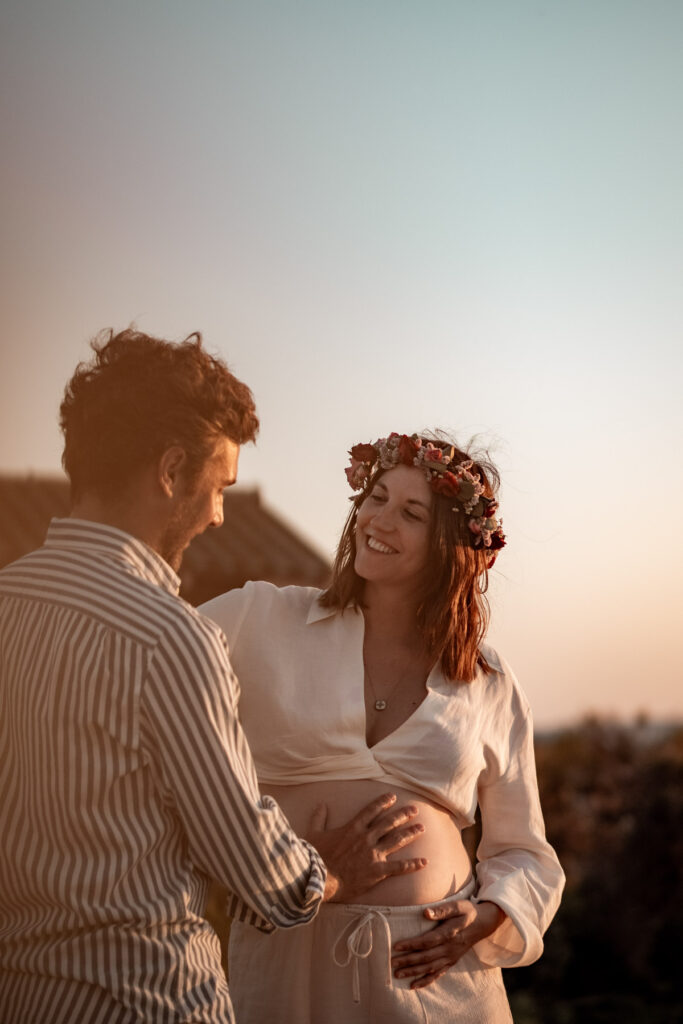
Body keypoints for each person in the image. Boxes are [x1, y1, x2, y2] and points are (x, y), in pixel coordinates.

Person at [0, 337, 428, 1024]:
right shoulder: (166, 636)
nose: (218, 515)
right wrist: (334, 869)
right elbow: (259, 874)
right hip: (143, 1000)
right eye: (219, 486)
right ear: (171, 470)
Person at [201, 431, 566, 1023]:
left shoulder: (488, 680)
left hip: (434, 974)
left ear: (449, 544)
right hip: (289, 949)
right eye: (375, 497)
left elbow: (524, 852)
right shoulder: (261, 616)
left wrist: (483, 918)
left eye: (411, 512)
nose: (379, 519)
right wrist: (254, 856)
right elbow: (143, 661)